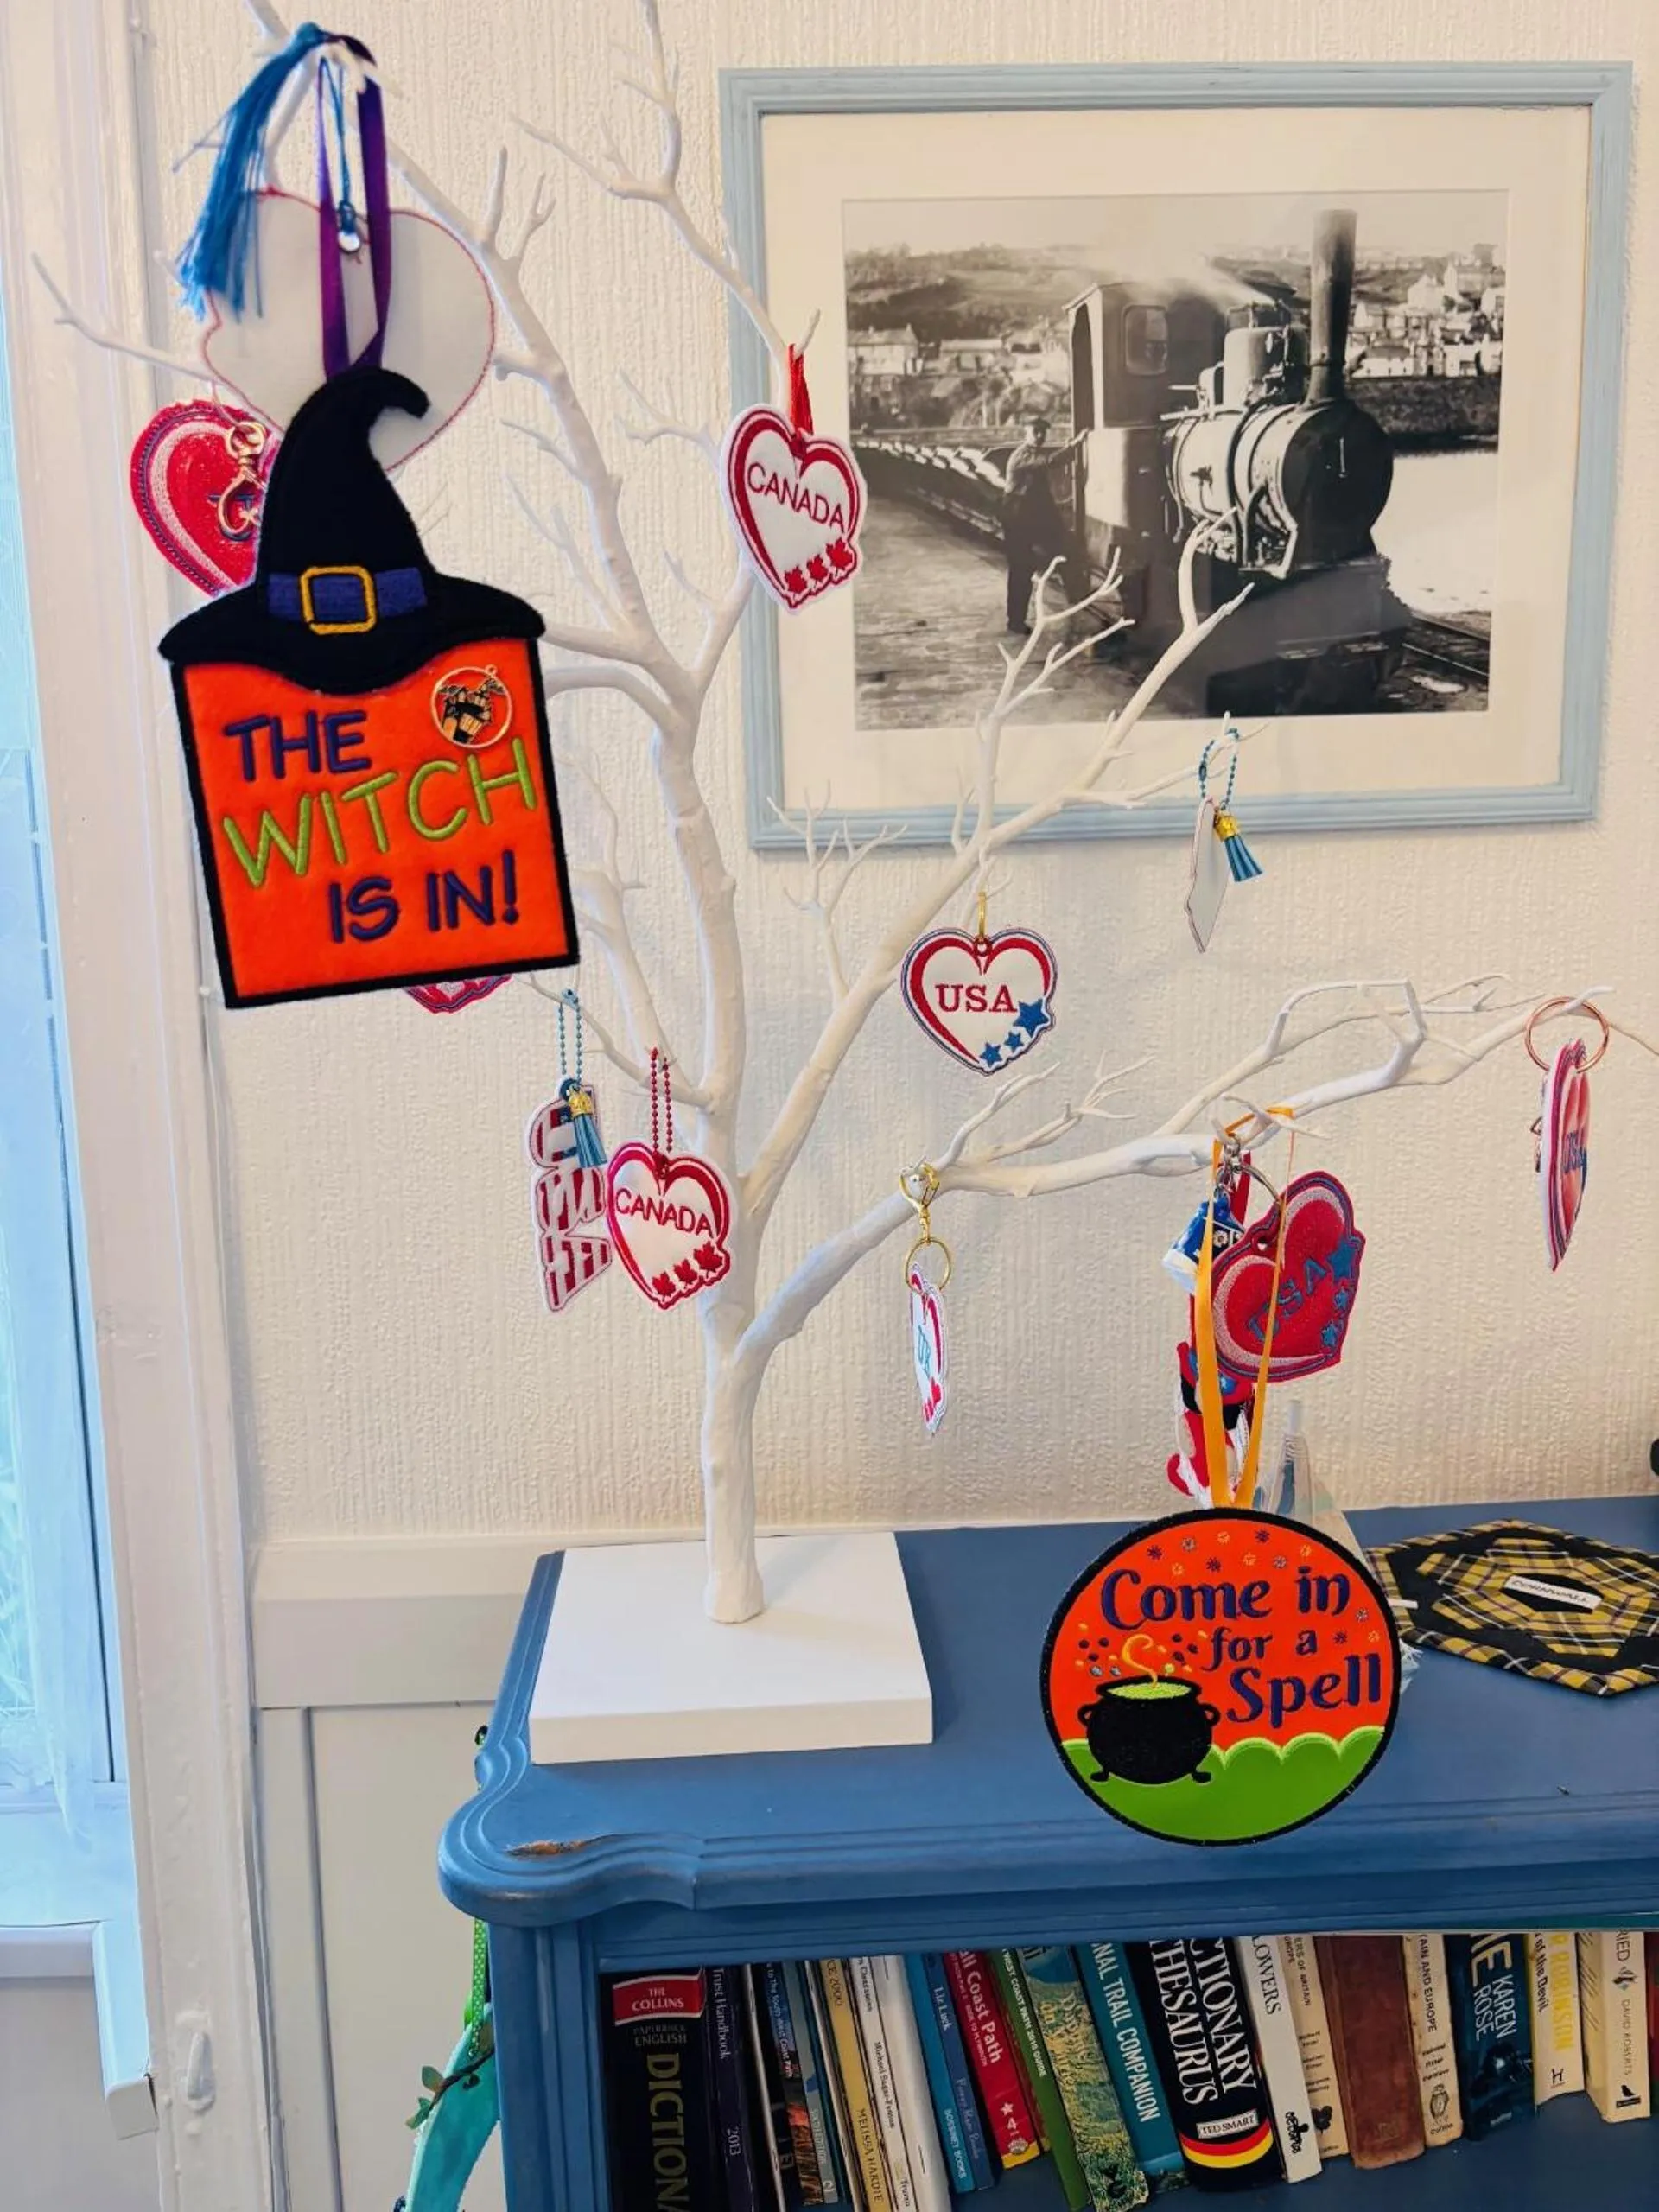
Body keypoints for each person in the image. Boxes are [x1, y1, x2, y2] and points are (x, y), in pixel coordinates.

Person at [1001, 417, 1075, 632]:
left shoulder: (1034, 453)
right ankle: (1015, 621)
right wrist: (1073, 446)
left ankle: (1077, 598)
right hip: (1017, 515)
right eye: (1036, 432)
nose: (1041, 436)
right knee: (1021, 568)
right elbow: (1048, 462)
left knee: (1064, 551)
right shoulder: (1021, 455)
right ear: (1026, 432)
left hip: (1033, 513)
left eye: (1043, 432)